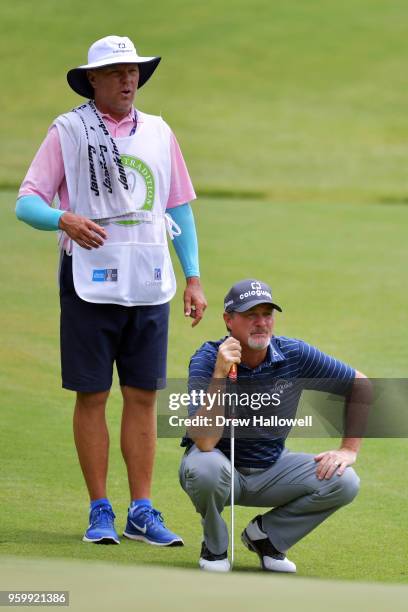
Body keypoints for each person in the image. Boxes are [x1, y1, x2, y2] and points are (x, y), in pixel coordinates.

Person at [16, 35, 207, 546]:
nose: (129, 80)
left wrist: (192, 275)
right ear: (93, 80)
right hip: (89, 281)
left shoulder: (161, 133)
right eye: (117, 72)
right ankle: (100, 509)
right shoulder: (70, 130)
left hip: (148, 279)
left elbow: (178, 206)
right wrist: (64, 219)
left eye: (134, 71)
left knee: (143, 396)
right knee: (93, 395)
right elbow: (26, 201)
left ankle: (141, 510)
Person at [179, 279, 370, 572]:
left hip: (271, 468)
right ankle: (214, 548)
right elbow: (204, 442)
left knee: (344, 481)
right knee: (205, 468)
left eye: (267, 314)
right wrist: (220, 374)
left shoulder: (293, 353)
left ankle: (267, 538)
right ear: (229, 320)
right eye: (250, 315)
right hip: (221, 469)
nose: (261, 323)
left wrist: (348, 449)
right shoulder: (207, 358)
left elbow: (360, 385)